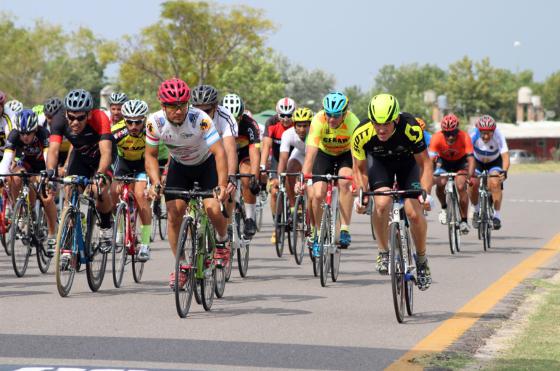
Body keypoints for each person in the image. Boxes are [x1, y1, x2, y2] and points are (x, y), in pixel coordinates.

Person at [144, 78, 229, 289]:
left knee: (213, 208)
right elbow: (151, 156)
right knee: (174, 213)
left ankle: (222, 241)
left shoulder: (200, 119)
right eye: (173, 106)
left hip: (205, 164)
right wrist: (155, 182)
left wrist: (222, 184)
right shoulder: (154, 123)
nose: (179, 110)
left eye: (182, 104)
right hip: (179, 168)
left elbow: (219, 153)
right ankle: (181, 266)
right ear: (163, 106)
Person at [352, 93, 433, 291]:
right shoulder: (361, 133)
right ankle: (383, 251)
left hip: (408, 164)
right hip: (380, 164)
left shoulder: (411, 128)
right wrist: (361, 194)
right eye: (376, 124)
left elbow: (425, 164)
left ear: (396, 119)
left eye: (386, 124)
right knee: (381, 204)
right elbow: (360, 170)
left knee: (414, 214)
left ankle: (421, 260)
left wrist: (426, 192)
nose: (380, 129)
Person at [46, 88, 114, 252]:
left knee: (100, 190)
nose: (75, 122)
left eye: (80, 118)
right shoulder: (59, 120)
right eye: (72, 117)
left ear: (89, 114)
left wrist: (99, 174)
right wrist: (50, 172)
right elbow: (53, 150)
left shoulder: (100, 118)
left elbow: (106, 153)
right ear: (66, 113)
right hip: (81, 158)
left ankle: (105, 228)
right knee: (70, 191)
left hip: (101, 159)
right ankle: (68, 246)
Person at [299, 91, 359, 250]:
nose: (331, 119)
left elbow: (356, 156)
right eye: (329, 114)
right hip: (324, 154)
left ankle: (344, 229)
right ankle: (317, 234)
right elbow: (310, 155)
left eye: (336, 115)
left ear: (345, 114)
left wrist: (356, 180)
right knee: (318, 194)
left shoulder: (353, 122)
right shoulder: (318, 120)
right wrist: (303, 180)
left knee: (345, 180)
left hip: (345, 155)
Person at [0, 109, 58, 256]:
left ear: (35, 129)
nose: (25, 137)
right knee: (15, 176)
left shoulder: (43, 133)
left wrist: (49, 178)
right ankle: (19, 209)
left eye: (29, 133)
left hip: (42, 166)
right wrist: (1, 177)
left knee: (47, 199)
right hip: (25, 164)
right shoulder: (14, 135)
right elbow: (6, 159)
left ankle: (52, 235)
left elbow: (48, 157)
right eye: (22, 133)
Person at [111, 99, 152, 261]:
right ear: (124, 120)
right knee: (113, 192)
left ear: (144, 120)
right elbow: (106, 151)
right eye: (129, 122)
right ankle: (120, 230)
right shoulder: (116, 131)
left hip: (143, 164)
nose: (133, 126)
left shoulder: (151, 131)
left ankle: (145, 243)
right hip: (123, 164)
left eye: (138, 122)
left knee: (141, 196)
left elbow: (159, 155)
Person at [190, 85, 238, 216]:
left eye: (206, 110)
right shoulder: (187, 115)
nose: (202, 115)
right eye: (197, 110)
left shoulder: (225, 117)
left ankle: (226, 227)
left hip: (217, 154)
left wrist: (231, 176)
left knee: (227, 191)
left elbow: (230, 149)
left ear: (216, 106)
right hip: (196, 154)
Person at [221, 93, 261, 237]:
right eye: (230, 119)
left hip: (244, 154)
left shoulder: (249, 124)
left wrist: (254, 177)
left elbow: (255, 152)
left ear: (241, 115)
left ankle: (250, 218)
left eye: (237, 119)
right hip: (226, 155)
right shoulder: (217, 121)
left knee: (247, 176)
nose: (234, 122)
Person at [429, 114, 475, 234]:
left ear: (457, 130)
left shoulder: (465, 137)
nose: (450, 137)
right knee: (440, 183)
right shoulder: (436, 138)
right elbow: (430, 161)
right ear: (442, 132)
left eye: (453, 133)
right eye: (447, 133)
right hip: (444, 162)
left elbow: (471, 159)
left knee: (461, 186)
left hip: (460, 163)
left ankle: (464, 220)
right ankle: (444, 207)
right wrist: (430, 174)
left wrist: (470, 177)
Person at [260, 97, 296, 243]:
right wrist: (263, 166)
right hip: (277, 158)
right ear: (277, 114)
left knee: (294, 185)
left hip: (294, 156)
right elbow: (266, 146)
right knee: (275, 191)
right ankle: (277, 224)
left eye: (289, 115)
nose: (286, 119)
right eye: (283, 115)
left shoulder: (298, 123)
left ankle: (297, 208)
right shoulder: (271, 122)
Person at [468, 115, 509, 230]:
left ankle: (496, 216)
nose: (486, 136)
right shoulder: (473, 134)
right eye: (483, 133)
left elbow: (505, 156)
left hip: (494, 162)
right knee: (472, 182)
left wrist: (504, 171)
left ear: (493, 131)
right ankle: (476, 211)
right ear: (479, 130)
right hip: (477, 161)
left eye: (489, 133)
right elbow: (465, 154)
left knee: (495, 183)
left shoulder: (498, 135)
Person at [278, 107, 315, 234]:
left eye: (305, 126)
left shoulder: (316, 133)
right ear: (294, 125)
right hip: (299, 154)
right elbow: (283, 157)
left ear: (311, 125)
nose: (302, 129)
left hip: (314, 156)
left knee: (311, 186)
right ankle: (294, 207)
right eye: (299, 126)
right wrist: (280, 176)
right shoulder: (287, 134)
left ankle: (311, 216)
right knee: (289, 170)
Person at [43, 97, 71, 175]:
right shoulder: (42, 124)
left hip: (68, 151)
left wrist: (66, 166)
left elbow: (75, 146)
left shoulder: (68, 122)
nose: (52, 120)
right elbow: (51, 151)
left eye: (55, 117)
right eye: (49, 117)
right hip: (55, 151)